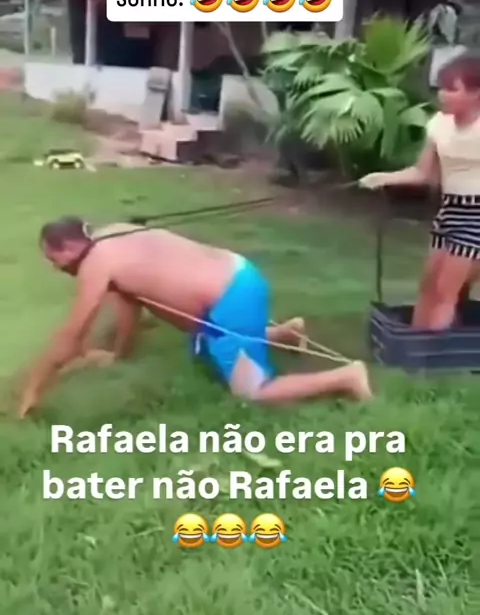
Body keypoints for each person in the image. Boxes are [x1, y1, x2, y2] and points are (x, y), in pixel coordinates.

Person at [17, 218, 372, 417]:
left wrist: (32, 392)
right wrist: (118, 355)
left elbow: (71, 337)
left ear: (69, 248)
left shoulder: (95, 264)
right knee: (203, 346)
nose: (56, 268)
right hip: (237, 273)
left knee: (253, 392)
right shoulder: (113, 233)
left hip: (232, 297)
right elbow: (129, 307)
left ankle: (347, 376)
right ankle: (285, 333)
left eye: (53, 259)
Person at [360, 52, 480, 330]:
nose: (442, 95)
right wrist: (382, 178)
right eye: (441, 88)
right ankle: (413, 345)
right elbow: (423, 173)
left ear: (475, 93)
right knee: (429, 287)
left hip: (476, 215)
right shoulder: (439, 124)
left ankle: (431, 351)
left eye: (452, 89)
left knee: (446, 291)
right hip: (450, 211)